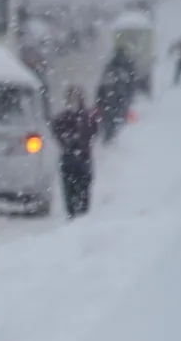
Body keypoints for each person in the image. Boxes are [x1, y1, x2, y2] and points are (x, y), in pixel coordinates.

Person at [53, 86, 99, 219]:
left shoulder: (87, 117)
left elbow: (93, 132)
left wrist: (74, 143)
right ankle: (74, 214)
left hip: (80, 158)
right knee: (72, 190)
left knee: (81, 189)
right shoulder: (70, 117)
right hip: (73, 158)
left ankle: (79, 214)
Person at [96, 46, 137, 144]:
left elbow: (101, 85)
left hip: (109, 99)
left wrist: (98, 101)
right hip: (119, 98)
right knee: (115, 120)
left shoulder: (110, 66)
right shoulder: (127, 65)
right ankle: (111, 138)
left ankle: (108, 138)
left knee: (108, 121)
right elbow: (131, 83)